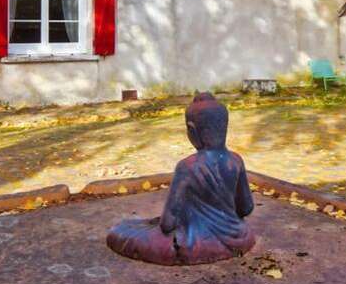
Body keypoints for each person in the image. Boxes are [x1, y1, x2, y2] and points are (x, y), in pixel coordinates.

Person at [107, 92, 256, 265]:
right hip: (239, 237)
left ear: (192, 131)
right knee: (143, 226)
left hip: (197, 243)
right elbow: (246, 208)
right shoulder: (236, 161)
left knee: (122, 231)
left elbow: (168, 224)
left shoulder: (187, 167)